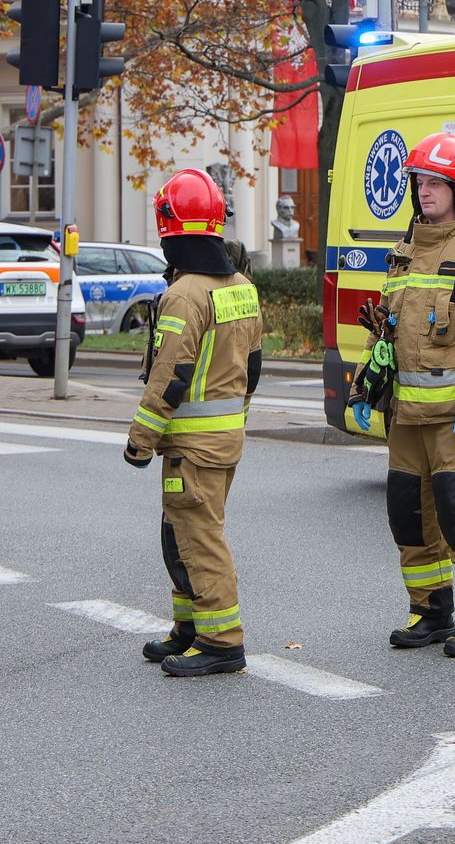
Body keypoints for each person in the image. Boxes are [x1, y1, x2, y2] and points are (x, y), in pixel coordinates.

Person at [347, 131, 455, 657]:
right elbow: (385, 331)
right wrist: (362, 385)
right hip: (406, 419)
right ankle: (431, 612)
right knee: (410, 518)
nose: (424, 191)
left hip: (454, 419)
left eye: (435, 183)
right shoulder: (404, 253)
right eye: (419, 182)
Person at [123, 168, 264, 675]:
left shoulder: (184, 294)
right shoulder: (242, 286)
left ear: (169, 227)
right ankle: (188, 628)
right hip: (223, 438)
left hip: (193, 444)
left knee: (199, 539)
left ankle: (221, 641)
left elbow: (170, 375)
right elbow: (254, 367)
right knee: (180, 533)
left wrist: (140, 440)